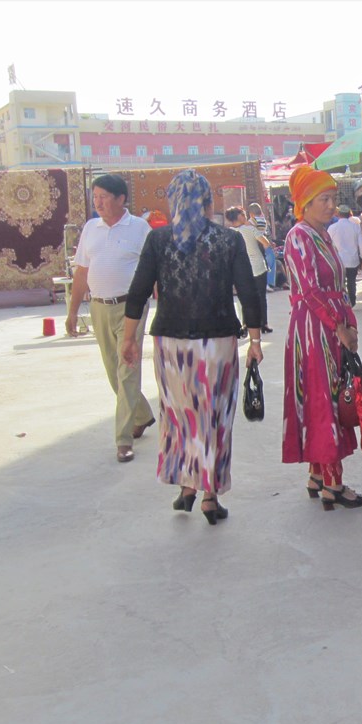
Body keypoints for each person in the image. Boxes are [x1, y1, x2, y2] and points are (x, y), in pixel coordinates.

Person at [120, 169, 263, 524]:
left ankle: (186, 486)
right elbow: (249, 293)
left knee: (179, 415)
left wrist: (128, 338)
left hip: (171, 345)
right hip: (218, 343)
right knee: (214, 416)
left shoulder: (159, 240)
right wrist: (256, 340)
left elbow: (138, 291)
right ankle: (210, 497)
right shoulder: (228, 241)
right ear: (208, 202)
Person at [281, 166, 362, 510]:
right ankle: (333, 483)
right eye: (324, 199)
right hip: (315, 330)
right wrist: (339, 326)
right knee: (326, 400)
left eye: (333, 198)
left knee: (324, 397)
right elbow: (311, 291)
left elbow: (336, 289)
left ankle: (318, 475)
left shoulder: (323, 234)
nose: (332, 205)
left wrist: (348, 321)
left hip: (327, 326)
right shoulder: (298, 236)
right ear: (305, 202)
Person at [65, 174, 155, 464]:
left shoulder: (140, 228)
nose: (98, 202)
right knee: (113, 372)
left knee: (127, 368)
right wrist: (71, 311)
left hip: (132, 307)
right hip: (99, 308)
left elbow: (154, 270)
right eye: (95, 196)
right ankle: (142, 414)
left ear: (120, 199)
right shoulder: (91, 228)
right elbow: (81, 272)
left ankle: (123, 439)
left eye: (104, 196)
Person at [226, 206, 273, 333]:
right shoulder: (250, 229)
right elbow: (266, 243)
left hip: (241, 269)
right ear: (239, 216)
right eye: (243, 213)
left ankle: (245, 324)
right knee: (261, 297)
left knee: (244, 298)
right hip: (258, 266)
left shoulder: (230, 233)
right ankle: (264, 324)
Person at [327, 205, 362, 307]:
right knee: (351, 282)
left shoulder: (332, 228)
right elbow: (361, 244)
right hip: (352, 260)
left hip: (338, 260)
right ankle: (352, 301)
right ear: (349, 214)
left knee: (340, 283)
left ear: (338, 214)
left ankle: (342, 302)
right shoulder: (355, 227)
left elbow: (328, 246)